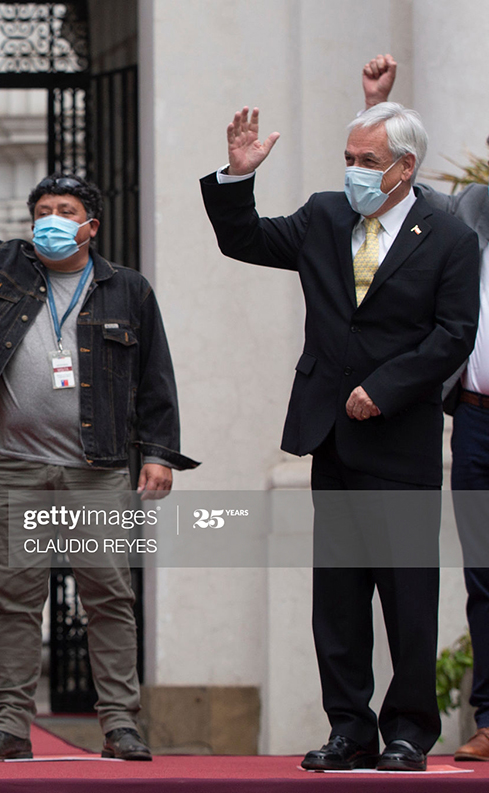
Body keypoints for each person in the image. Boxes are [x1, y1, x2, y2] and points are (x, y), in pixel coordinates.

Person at [0, 91, 197, 763]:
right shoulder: (3, 267)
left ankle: (120, 722)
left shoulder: (128, 290)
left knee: (108, 594)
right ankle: (12, 723)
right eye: (42, 213)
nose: (51, 222)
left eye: (65, 214)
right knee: (16, 597)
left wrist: (158, 454)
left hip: (98, 466)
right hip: (15, 462)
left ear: (91, 225)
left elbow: (156, 377)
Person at [201, 97, 479, 771]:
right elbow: (246, 240)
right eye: (349, 159)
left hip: (401, 439)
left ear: (405, 168)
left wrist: (384, 390)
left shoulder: (449, 238)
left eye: (369, 162)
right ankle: (349, 727)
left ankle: (410, 730)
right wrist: (237, 178)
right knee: (339, 595)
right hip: (332, 436)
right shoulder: (326, 215)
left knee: (407, 594)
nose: (354, 171)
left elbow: (453, 336)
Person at [362, 53, 489, 762]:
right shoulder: (467, 215)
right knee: (484, 574)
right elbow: (400, 188)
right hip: (475, 418)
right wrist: (381, 102)